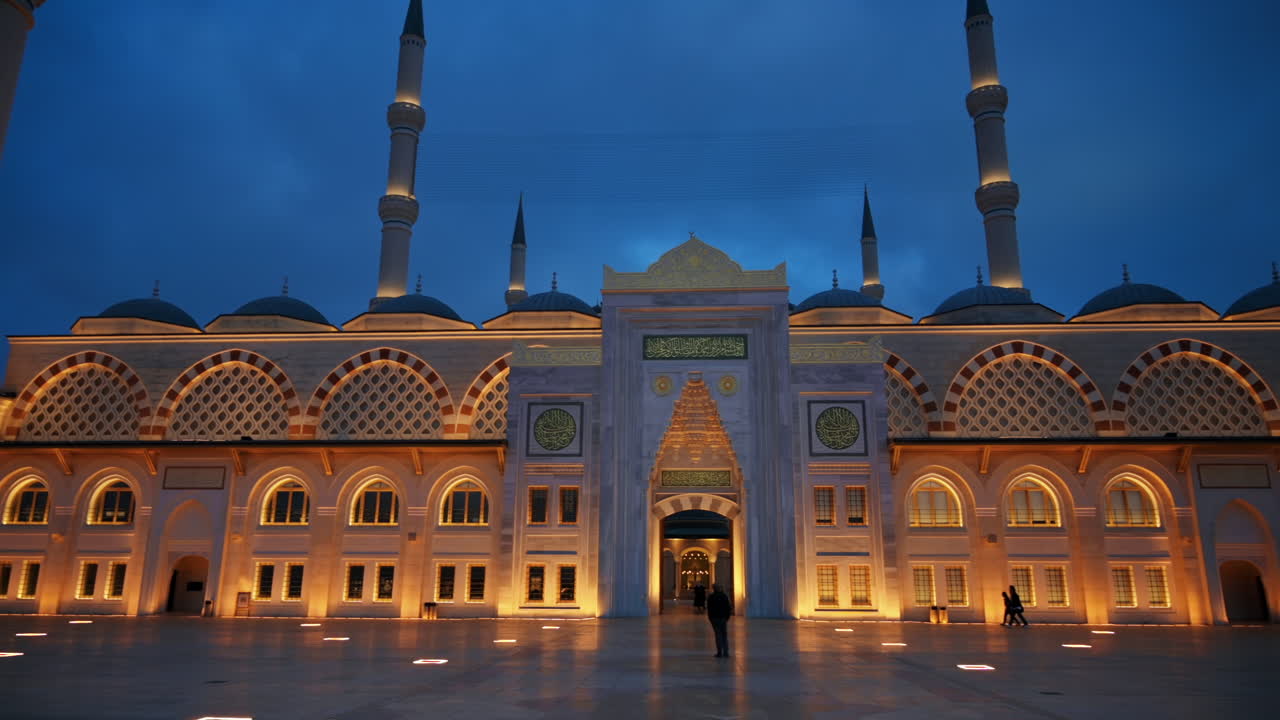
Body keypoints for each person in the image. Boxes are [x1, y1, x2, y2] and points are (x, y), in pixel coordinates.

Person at [706, 583, 732, 657]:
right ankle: (726, 652)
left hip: (715, 618)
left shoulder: (711, 597)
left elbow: (709, 608)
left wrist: (710, 617)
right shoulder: (724, 596)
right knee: (724, 635)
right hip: (723, 618)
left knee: (718, 635)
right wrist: (727, 617)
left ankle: (719, 652)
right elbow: (728, 607)